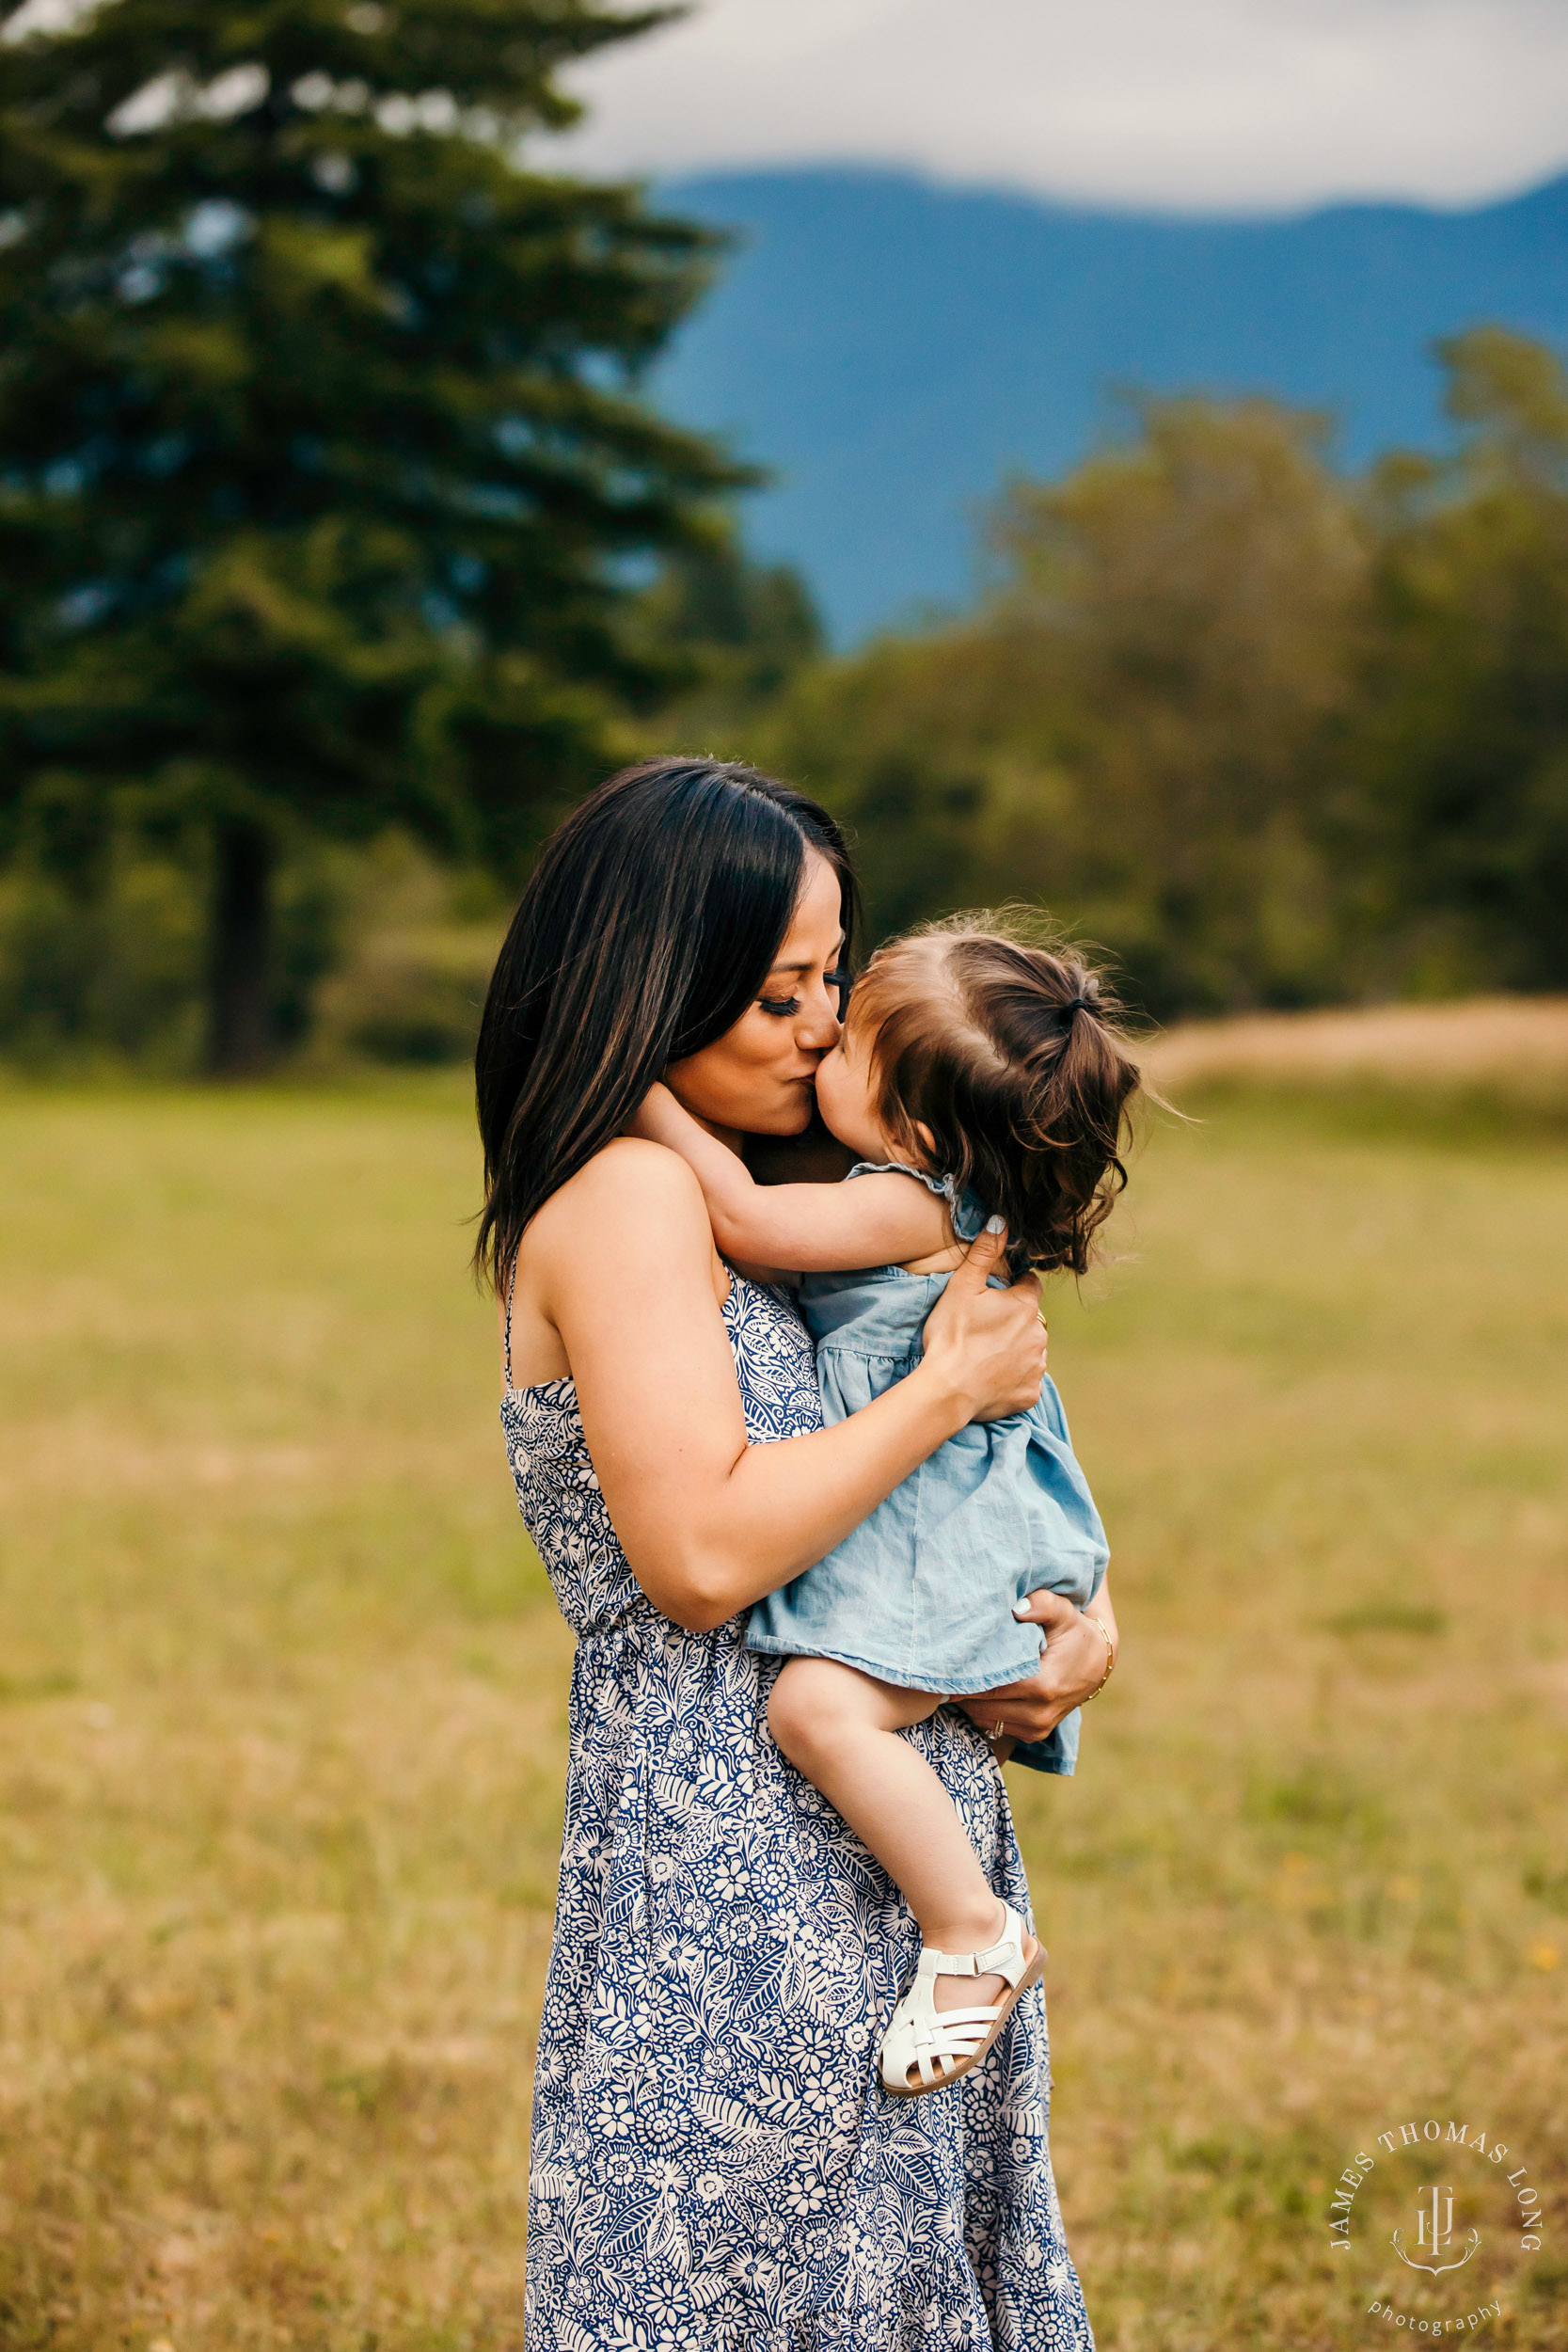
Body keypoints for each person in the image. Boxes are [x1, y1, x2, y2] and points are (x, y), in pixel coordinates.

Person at [475, 755, 1109, 2349]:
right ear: (651, 990)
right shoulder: (630, 1197)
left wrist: (1067, 1624)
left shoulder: (828, 1184)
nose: (825, 1026)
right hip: (732, 1860)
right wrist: (948, 1387)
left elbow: (970, 1456)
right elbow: (696, 1557)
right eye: (778, 996)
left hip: (871, 1819)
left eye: (834, 976)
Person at [631, 916, 1134, 2099]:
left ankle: (971, 1931)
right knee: (822, 1707)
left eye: (848, 1038)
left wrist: (635, 1087)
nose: (821, 1038)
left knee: (817, 1708)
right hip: (944, 1508)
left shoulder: (915, 1206)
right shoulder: (919, 1188)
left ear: (914, 1129)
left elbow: (748, 1222)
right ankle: (965, 1921)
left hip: (942, 1527)